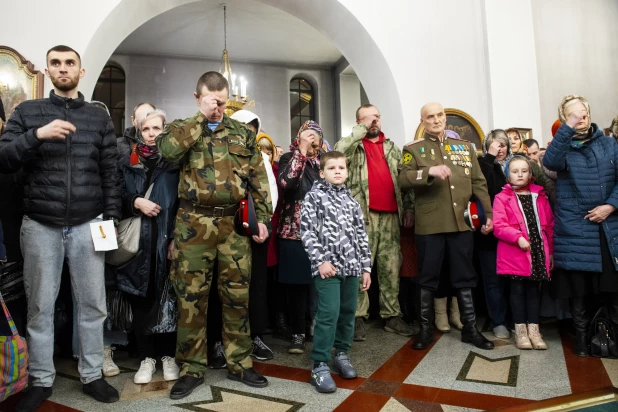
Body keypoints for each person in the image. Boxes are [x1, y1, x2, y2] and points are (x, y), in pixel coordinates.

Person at [0, 45, 121, 410]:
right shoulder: (27, 111)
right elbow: (4, 158)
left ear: (81, 72)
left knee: (92, 304)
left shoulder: (98, 117)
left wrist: (110, 221)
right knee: (40, 305)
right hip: (40, 223)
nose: (63, 68)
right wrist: (37, 135)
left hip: (89, 222)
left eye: (70, 63)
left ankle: (92, 375)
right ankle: (40, 379)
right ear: (48, 71)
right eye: (56, 63)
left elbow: (110, 172)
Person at [156, 71, 272, 398]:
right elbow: (167, 152)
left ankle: (240, 362)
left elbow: (258, 178)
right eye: (212, 100)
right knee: (191, 298)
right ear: (198, 97)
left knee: (237, 295)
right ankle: (192, 368)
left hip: (233, 225)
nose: (219, 106)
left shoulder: (241, 133)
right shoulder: (181, 127)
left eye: (223, 101)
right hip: (193, 223)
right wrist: (201, 118)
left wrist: (262, 218)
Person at [398, 102, 494, 351]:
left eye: (440, 115)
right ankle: (426, 330)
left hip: (462, 221)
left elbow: (478, 182)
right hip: (430, 224)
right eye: (430, 117)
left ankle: (470, 329)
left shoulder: (464, 148)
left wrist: (488, 215)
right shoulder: (413, 149)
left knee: (465, 276)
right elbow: (403, 179)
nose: (437, 120)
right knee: (427, 277)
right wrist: (429, 171)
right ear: (423, 121)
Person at [543, 95, 618, 357]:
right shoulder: (562, 148)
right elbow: (550, 162)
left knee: (612, 287)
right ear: (564, 119)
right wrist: (568, 129)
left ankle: (612, 338)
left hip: (608, 227)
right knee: (579, 291)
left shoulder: (609, 144)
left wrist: (610, 206)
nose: (580, 117)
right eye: (573, 114)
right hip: (576, 228)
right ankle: (583, 342)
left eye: (583, 112)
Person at [334, 104, 414, 341]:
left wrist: (408, 208)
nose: (375, 121)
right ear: (359, 122)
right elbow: (337, 151)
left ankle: (392, 316)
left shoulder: (392, 148)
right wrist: (359, 131)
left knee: (391, 268)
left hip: (391, 217)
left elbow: (404, 179)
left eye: (378, 117)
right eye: (370, 118)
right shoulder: (352, 146)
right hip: (361, 218)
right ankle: (357, 317)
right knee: (359, 267)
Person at [117, 108, 180, 384]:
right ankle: (146, 358)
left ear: (165, 131)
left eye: (157, 129)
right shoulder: (127, 161)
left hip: (167, 238)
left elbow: (184, 201)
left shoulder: (175, 162)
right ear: (139, 131)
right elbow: (114, 193)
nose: (152, 134)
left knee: (168, 297)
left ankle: (168, 356)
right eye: (146, 129)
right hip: (139, 239)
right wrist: (135, 201)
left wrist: (177, 236)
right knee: (141, 297)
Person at [300, 151, 371, 393]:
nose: (338, 171)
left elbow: (361, 236)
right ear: (322, 173)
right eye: (332, 168)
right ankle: (319, 364)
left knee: (348, 313)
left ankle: (342, 354)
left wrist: (365, 267)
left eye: (342, 167)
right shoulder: (313, 198)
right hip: (327, 269)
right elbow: (307, 232)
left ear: (347, 172)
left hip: (352, 267)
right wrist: (320, 261)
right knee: (329, 313)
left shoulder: (352, 202)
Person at [230, 110, 277, 361]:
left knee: (256, 286)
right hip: (227, 232)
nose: (246, 132)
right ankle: (220, 341)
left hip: (256, 231)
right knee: (225, 288)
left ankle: (256, 337)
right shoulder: (222, 155)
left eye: (251, 128)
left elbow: (270, 194)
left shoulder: (261, 159)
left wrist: (265, 224)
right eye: (241, 127)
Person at [493, 156, 554, 350]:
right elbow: (499, 225)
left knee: (534, 292)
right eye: (515, 171)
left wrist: (550, 252)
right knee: (517, 292)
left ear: (530, 174)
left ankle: (534, 330)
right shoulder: (502, 197)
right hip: (515, 253)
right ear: (507, 175)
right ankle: (520, 331)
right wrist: (517, 237)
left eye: (524, 171)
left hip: (537, 251)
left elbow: (549, 226)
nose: (519, 174)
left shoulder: (540, 196)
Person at [278, 120, 323, 354]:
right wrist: (301, 153)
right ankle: (297, 333)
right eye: (306, 134)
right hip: (293, 231)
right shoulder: (288, 158)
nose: (311, 138)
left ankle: (319, 329)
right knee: (296, 287)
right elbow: (287, 183)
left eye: (315, 135)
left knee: (320, 284)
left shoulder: (325, 162)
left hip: (321, 234)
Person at [474, 129, 514, 339]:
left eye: (503, 144)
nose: (500, 148)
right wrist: (489, 156)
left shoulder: (515, 166)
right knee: (492, 279)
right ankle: (498, 321)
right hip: (487, 232)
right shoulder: (481, 164)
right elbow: (483, 185)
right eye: (495, 144)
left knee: (512, 279)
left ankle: (515, 319)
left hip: (513, 232)